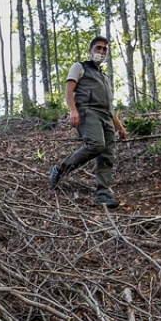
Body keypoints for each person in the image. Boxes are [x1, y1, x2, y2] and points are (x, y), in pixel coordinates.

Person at [47, 36, 129, 207]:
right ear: (90, 51)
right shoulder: (80, 67)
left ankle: (102, 194)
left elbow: (110, 107)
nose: (101, 52)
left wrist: (120, 127)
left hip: (105, 116)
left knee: (107, 154)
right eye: (98, 48)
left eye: (104, 49)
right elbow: (69, 90)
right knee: (96, 144)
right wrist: (73, 110)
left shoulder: (104, 78)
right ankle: (60, 169)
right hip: (87, 111)